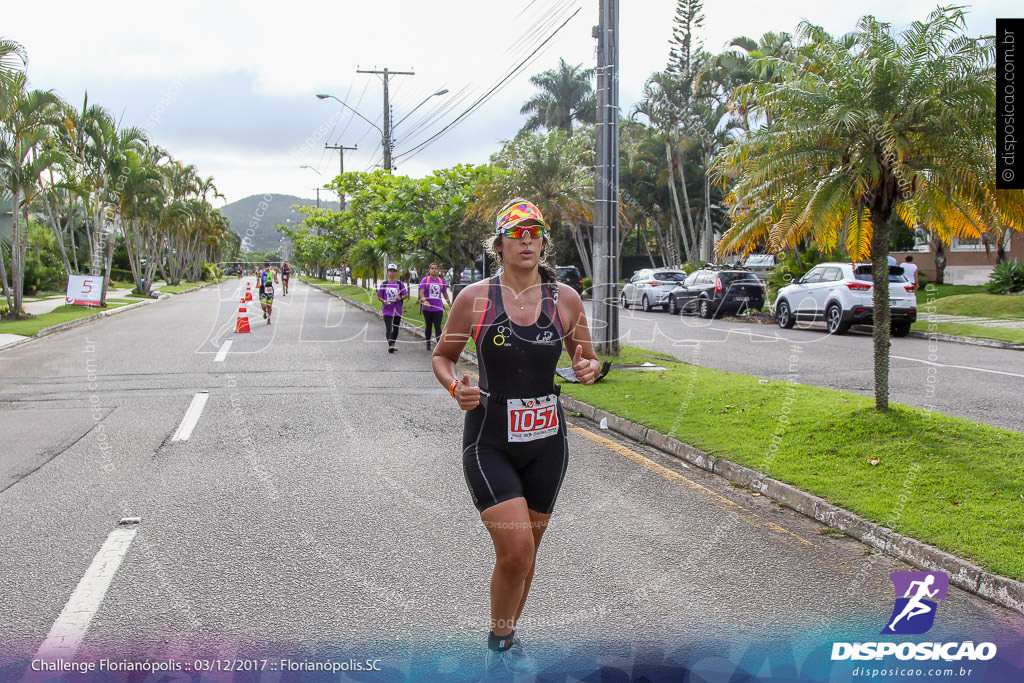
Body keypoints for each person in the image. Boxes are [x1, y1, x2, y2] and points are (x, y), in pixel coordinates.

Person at [431, 198, 601, 675]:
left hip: (548, 443)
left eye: (535, 233)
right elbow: (443, 357)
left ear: (543, 242)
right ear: (500, 243)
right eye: (517, 233)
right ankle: (499, 643)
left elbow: (584, 358)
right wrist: (453, 386)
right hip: (490, 439)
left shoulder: (564, 298)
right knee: (516, 551)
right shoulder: (475, 299)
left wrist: (588, 368)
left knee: (528, 556)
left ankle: (504, 639)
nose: (527, 240)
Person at [419, 262, 451, 351]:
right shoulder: (425, 280)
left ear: (438, 270)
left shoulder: (441, 281)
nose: (434, 270)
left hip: (438, 308)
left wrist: (449, 304)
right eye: (432, 268)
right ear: (429, 270)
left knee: (438, 326)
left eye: (436, 268)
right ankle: (428, 343)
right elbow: (421, 292)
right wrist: (424, 301)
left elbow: (445, 294)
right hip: (427, 308)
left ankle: (439, 346)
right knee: (428, 326)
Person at [377, 264, 408, 353]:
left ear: (396, 273)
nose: (392, 273)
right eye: (390, 271)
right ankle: (390, 345)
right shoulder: (384, 284)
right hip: (387, 310)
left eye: (394, 271)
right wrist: (384, 301)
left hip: (397, 310)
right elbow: (379, 296)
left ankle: (393, 343)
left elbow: (405, 295)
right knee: (389, 328)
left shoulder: (399, 284)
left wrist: (400, 298)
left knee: (396, 328)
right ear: (387, 272)